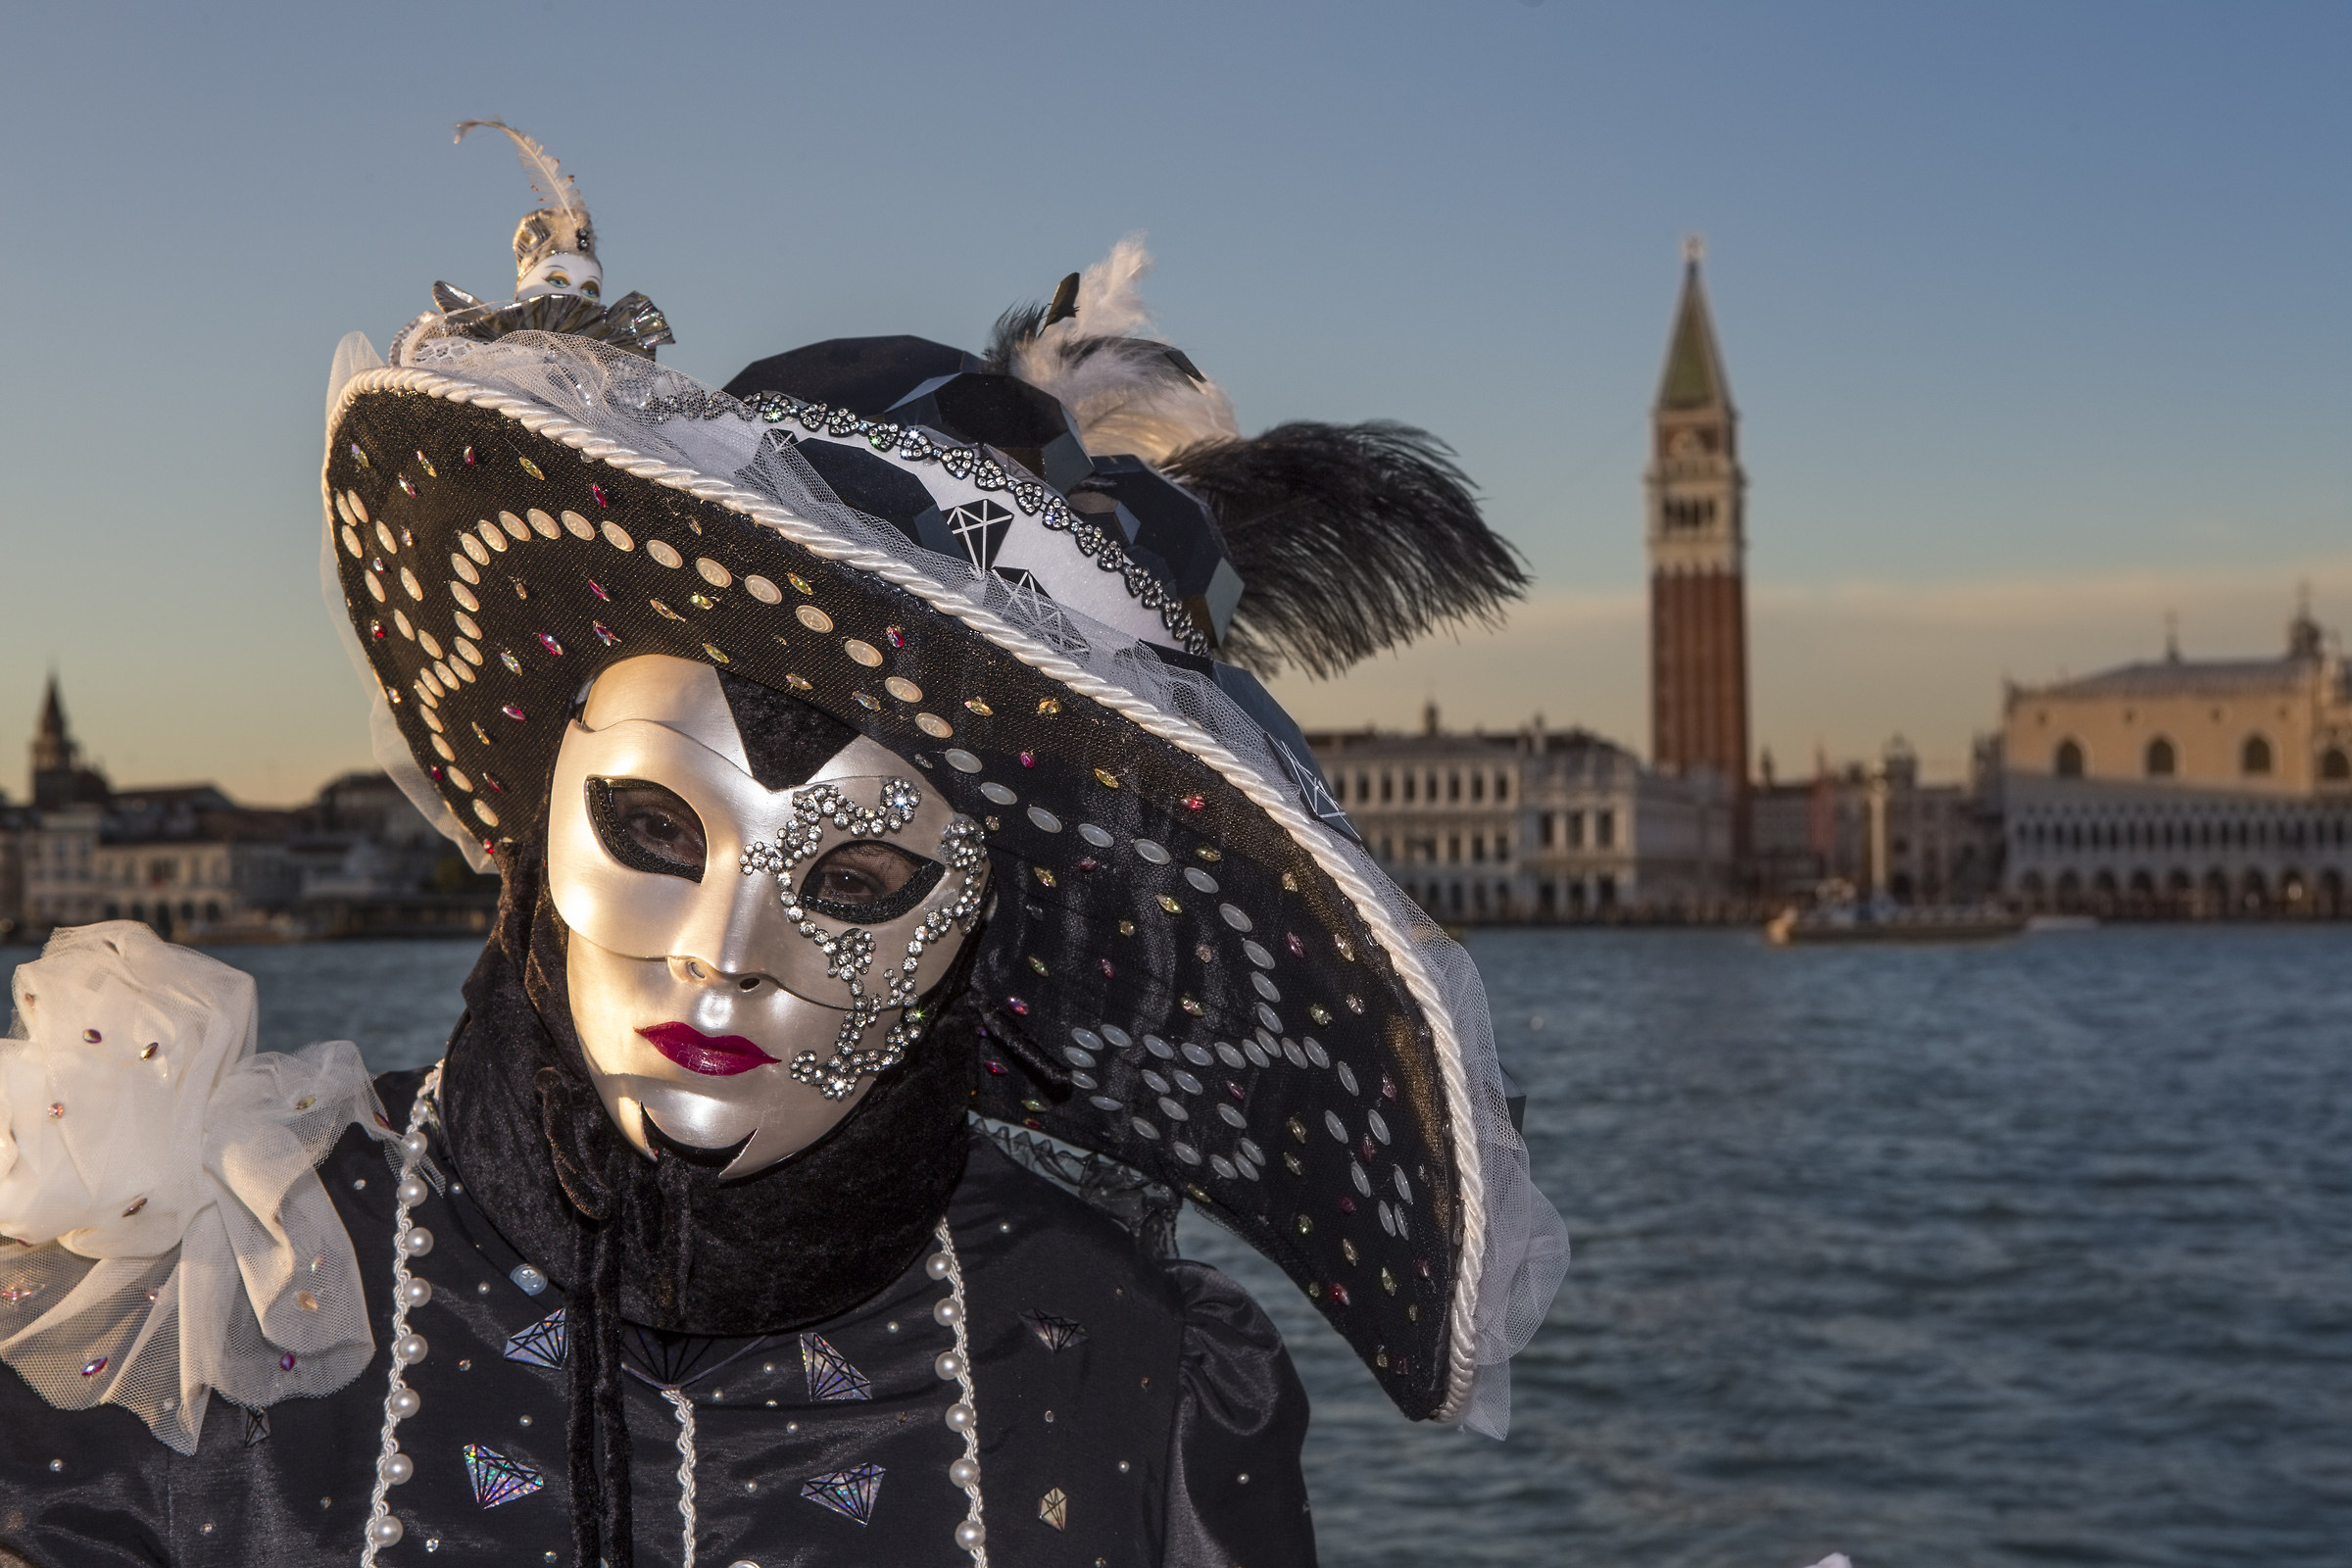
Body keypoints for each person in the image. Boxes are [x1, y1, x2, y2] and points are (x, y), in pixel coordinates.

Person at [0, 123, 1568, 1567]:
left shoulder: (1109, 1362)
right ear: (543, 818)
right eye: (654, 827)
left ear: (971, 934)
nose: (721, 957)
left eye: (857, 881)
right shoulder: (217, 1276)